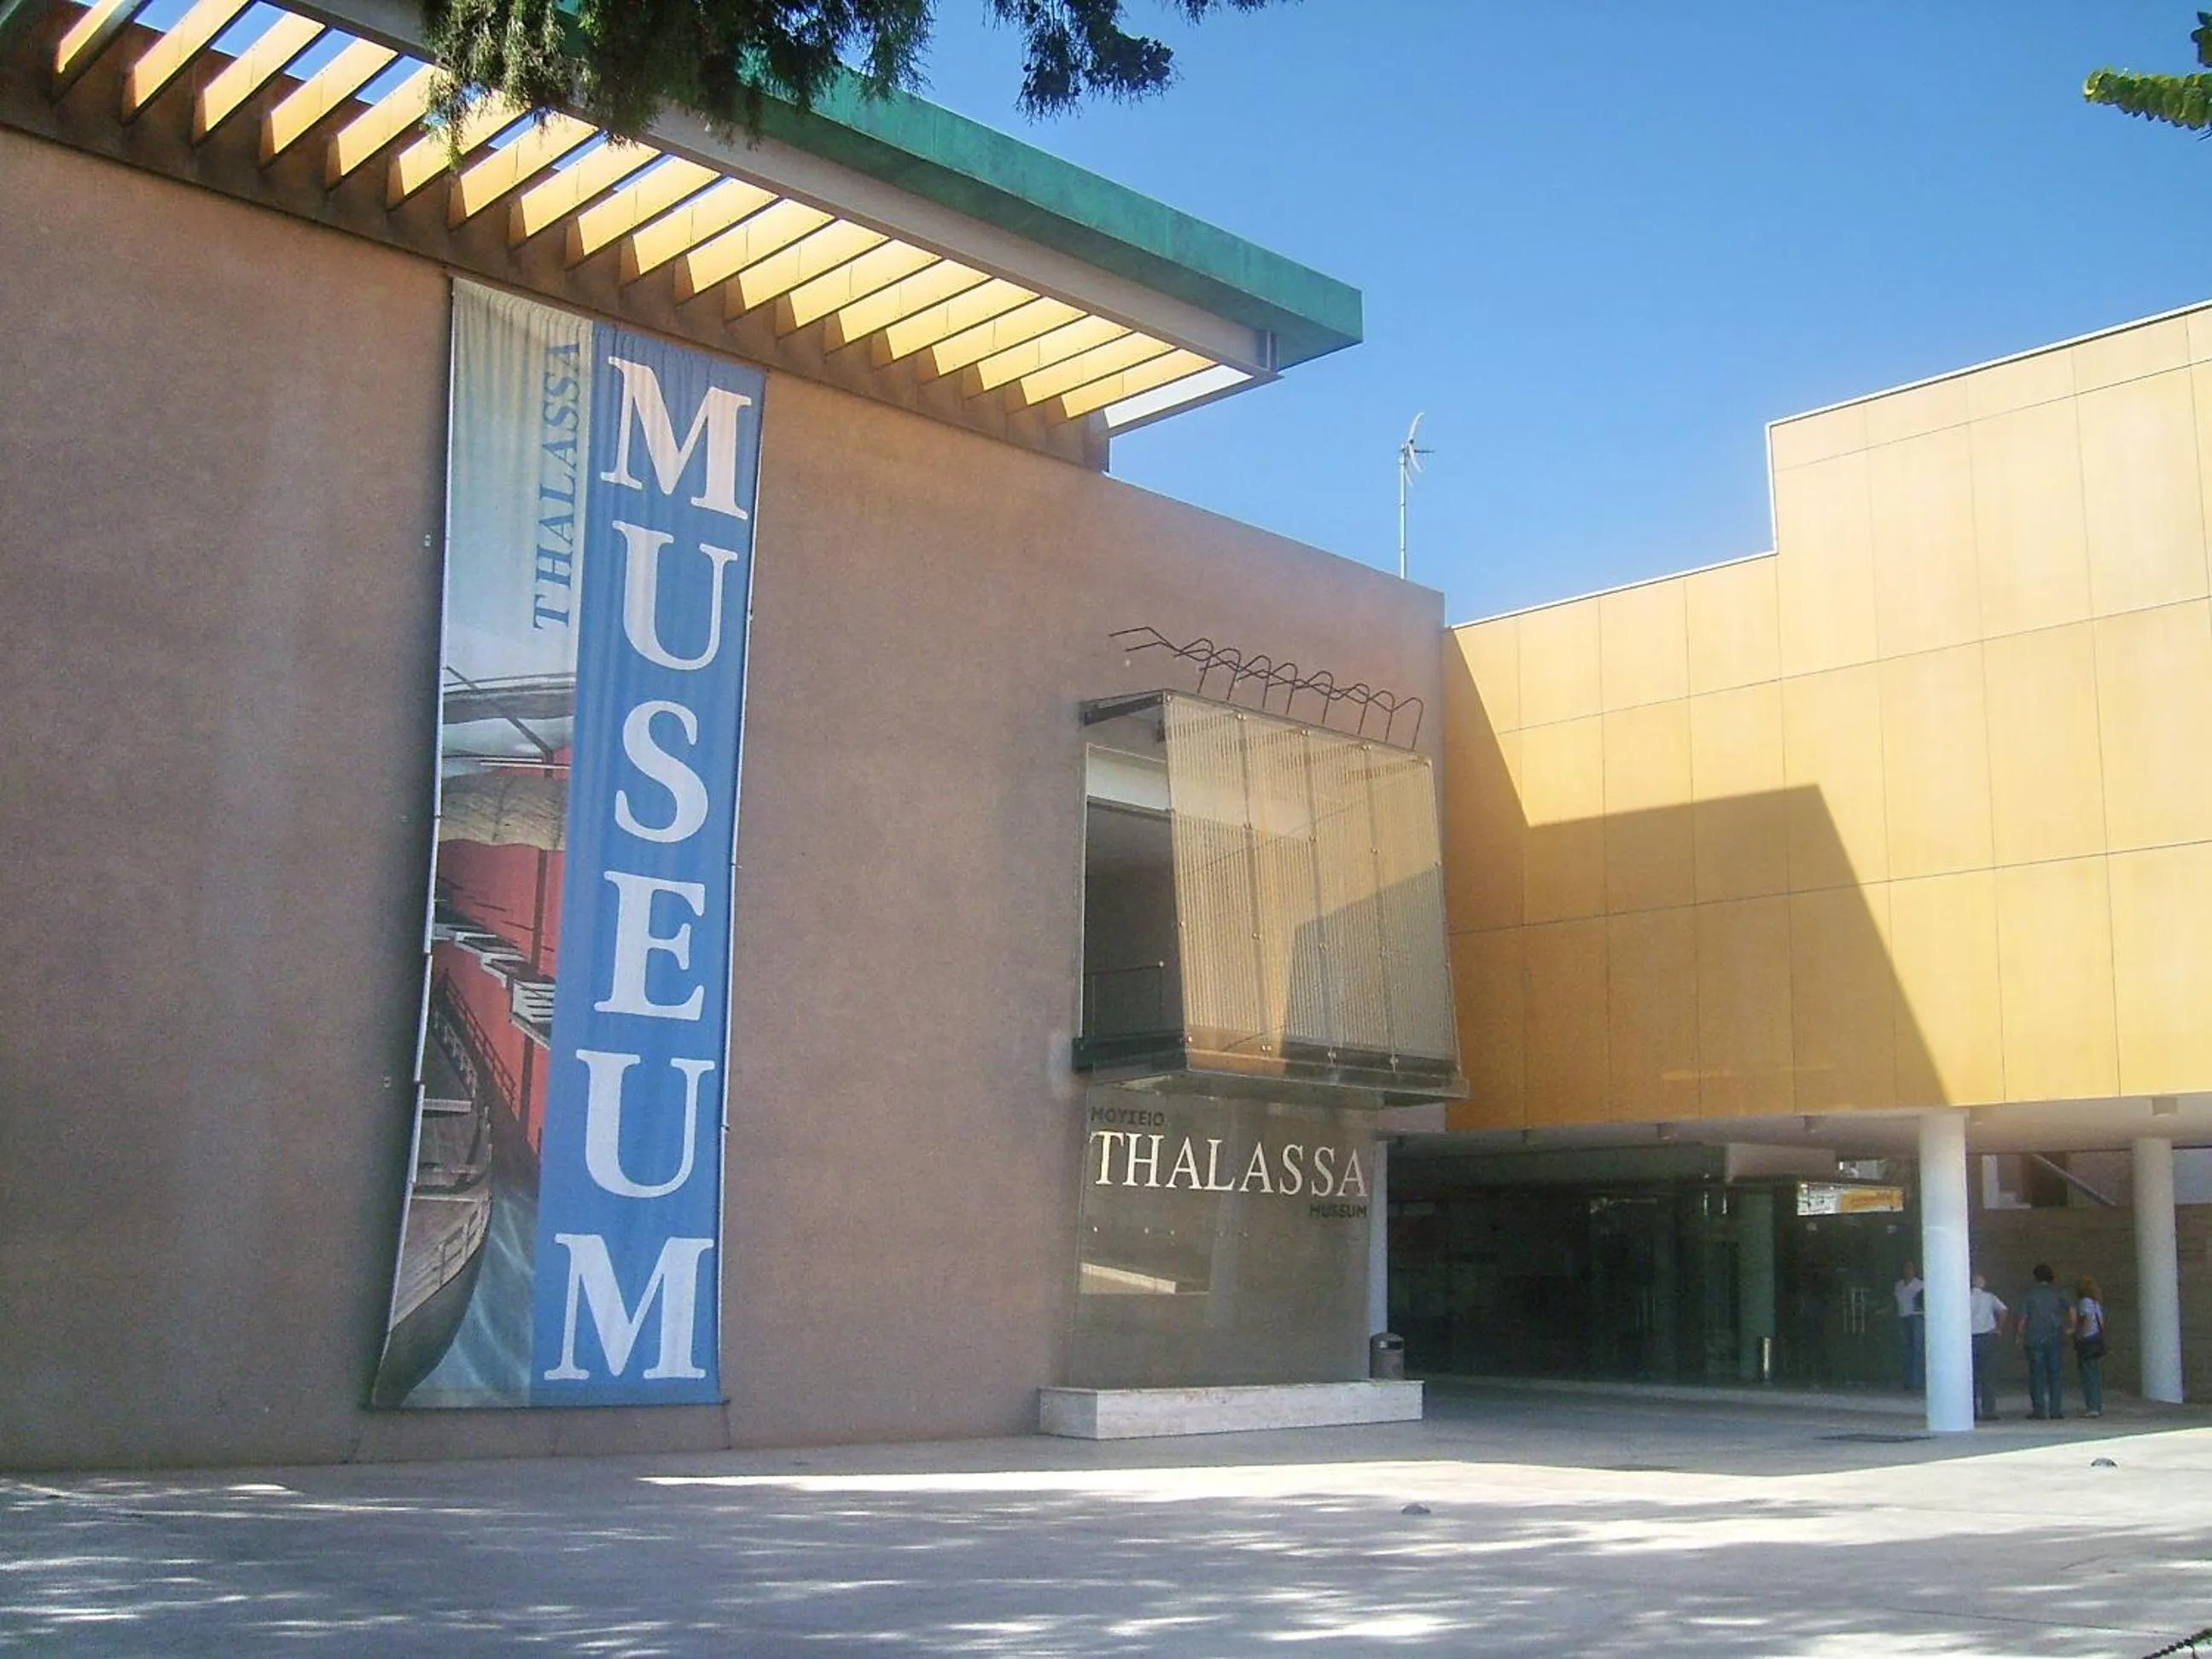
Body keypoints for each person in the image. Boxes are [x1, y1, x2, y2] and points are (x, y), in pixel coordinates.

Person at [2017, 1262, 2073, 1420]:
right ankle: (2056, 1410)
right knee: (2055, 1374)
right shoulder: (2058, 1292)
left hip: (2034, 1337)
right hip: (2055, 1336)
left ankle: (2039, 1410)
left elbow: (2023, 1318)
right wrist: (2071, 1327)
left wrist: (2019, 1335)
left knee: (2037, 1375)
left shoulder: (2030, 1294)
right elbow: (2072, 1310)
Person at [1968, 1274, 2009, 1421]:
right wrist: (1999, 1329)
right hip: (1987, 1337)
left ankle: (1971, 1410)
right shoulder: (1990, 1297)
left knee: (1970, 1377)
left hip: (1969, 1338)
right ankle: (1989, 1410)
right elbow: (2004, 1310)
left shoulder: (1963, 1298)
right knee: (1988, 1376)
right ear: (1983, 1284)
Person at [2073, 1276, 2107, 1418]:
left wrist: (2080, 1335)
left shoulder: (2084, 1302)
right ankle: (2097, 1406)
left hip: (2087, 1341)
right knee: (2095, 1375)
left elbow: (2085, 1319)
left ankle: (2091, 1407)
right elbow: (2102, 1323)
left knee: (2088, 1375)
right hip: (2097, 1339)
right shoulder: (2096, 1303)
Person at [1894, 1262, 1925, 1391]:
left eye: (1910, 1269)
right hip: (1903, 1317)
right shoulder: (1899, 1285)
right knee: (1906, 1349)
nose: (1908, 1271)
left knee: (1917, 1349)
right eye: (1906, 1268)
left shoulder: (1919, 1284)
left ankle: (1917, 1381)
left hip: (1916, 1317)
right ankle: (1907, 1381)